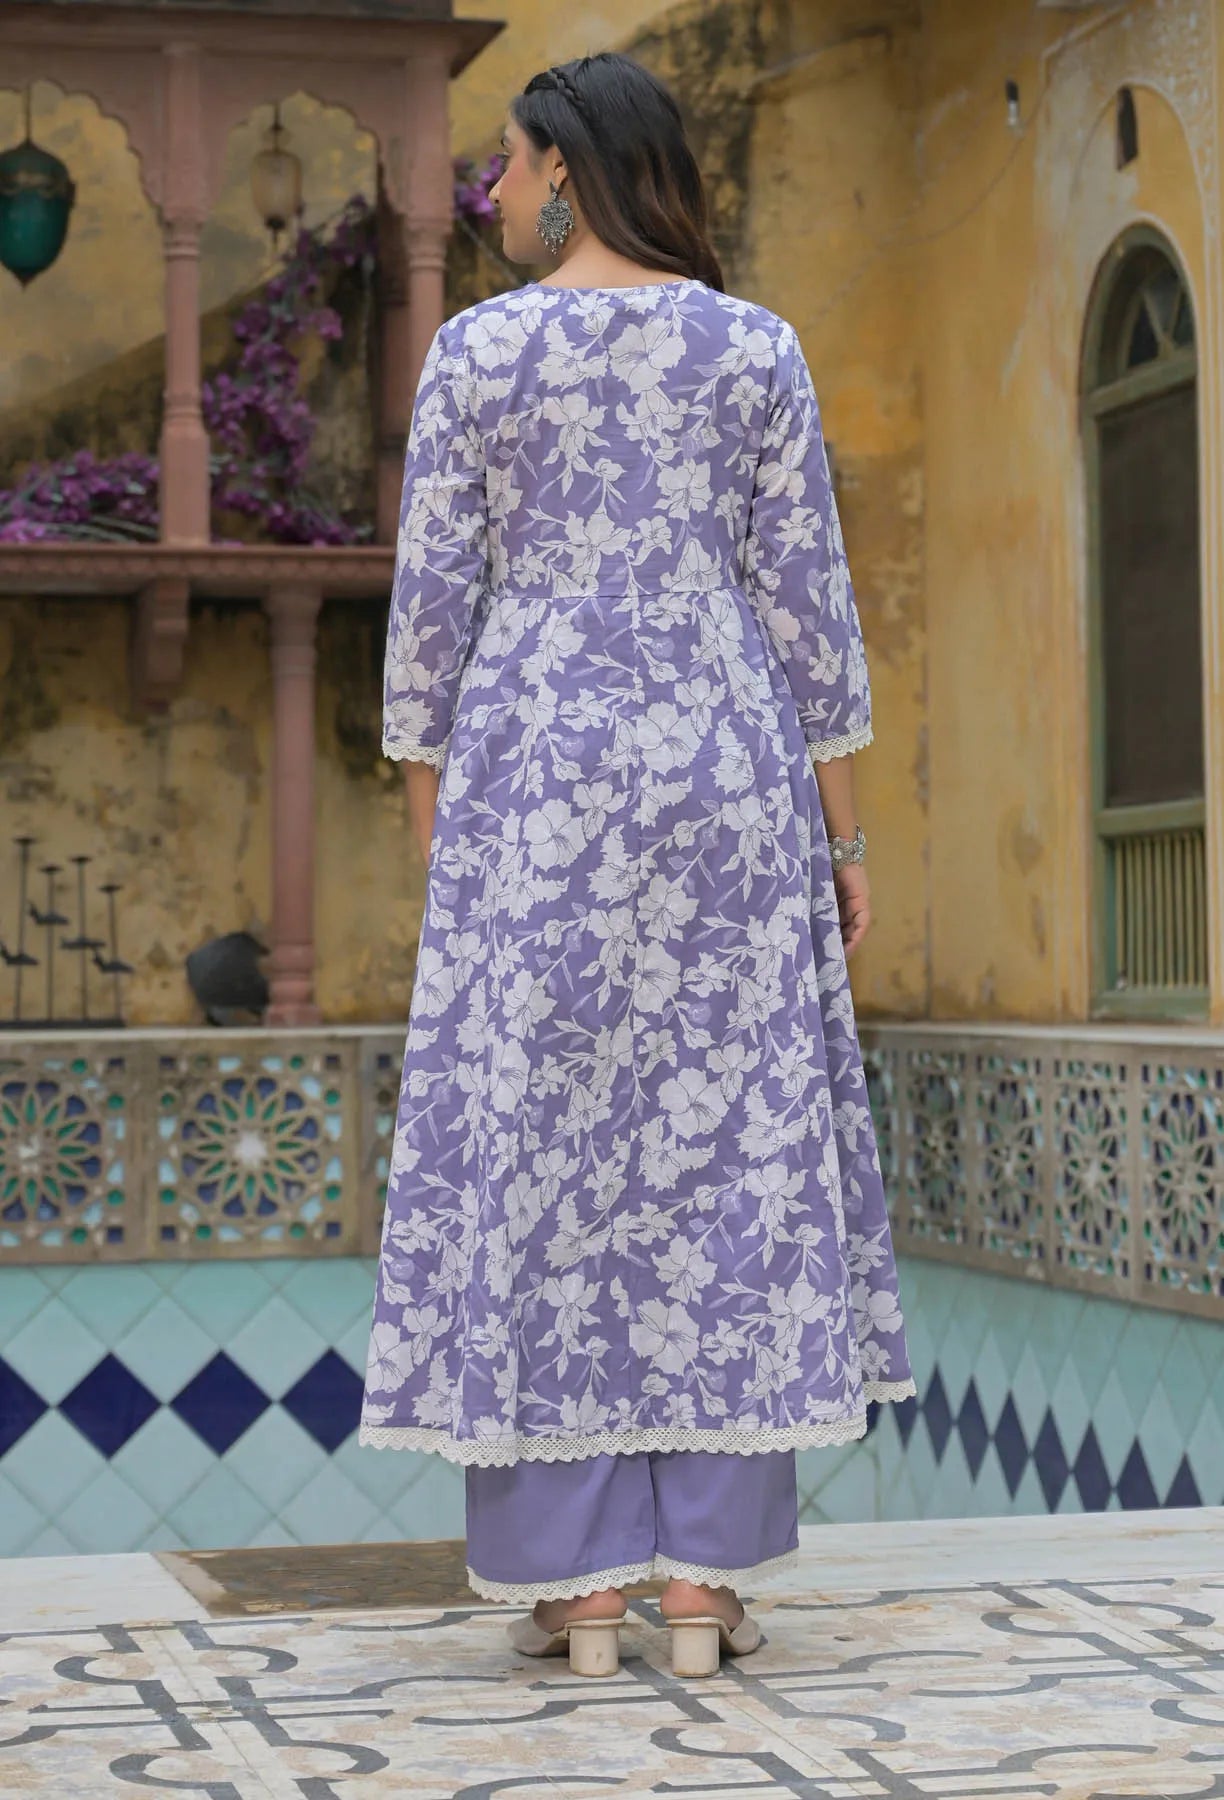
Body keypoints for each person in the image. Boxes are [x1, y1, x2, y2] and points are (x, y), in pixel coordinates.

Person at [359, 49, 916, 1680]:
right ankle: (701, 1589)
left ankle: (581, 1587)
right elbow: (811, 605)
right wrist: (847, 837)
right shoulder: (756, 349)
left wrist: (434, 828)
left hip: (534, 776)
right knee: (728, 1145)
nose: (495, 196)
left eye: (508, 168)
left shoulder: (478, 355)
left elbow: (432, 623)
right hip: (724, 773)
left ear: (562, 167)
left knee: (542, 1151)